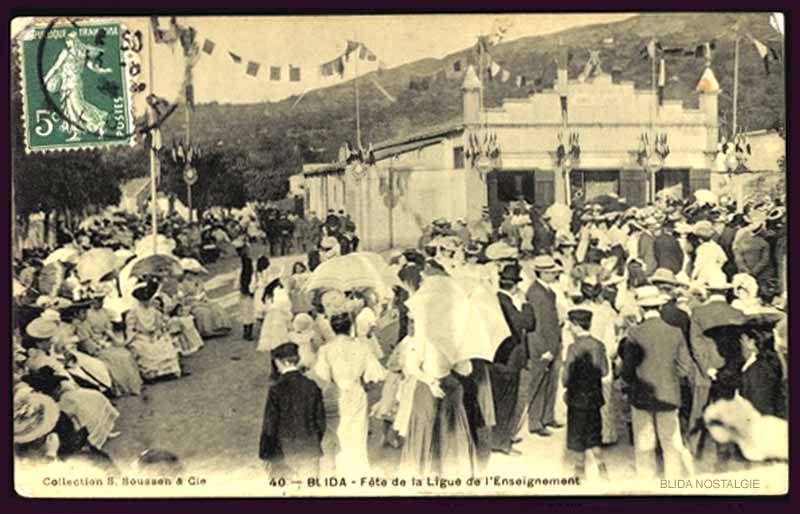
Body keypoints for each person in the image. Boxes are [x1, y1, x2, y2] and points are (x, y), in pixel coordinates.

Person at [620, 285, 695, 479]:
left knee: (645, 443)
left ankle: (647, 480)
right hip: (668, 394)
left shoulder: (634, 333)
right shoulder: (675, 332)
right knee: (671, 442)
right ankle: (673, 480)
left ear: (641, 309)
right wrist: (669, 376)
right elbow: (685, 368)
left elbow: (627, 370)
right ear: (660, 308)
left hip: (641, 394)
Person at [312, 312, 386, 476]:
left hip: (336, 392)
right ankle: (357, 469)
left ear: (332, 328)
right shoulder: (361, 347)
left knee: (339, 431)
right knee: (357, 431)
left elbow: (322, 376)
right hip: (356, 391)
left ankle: (340, 469)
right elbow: (376, 374)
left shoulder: (325, 349)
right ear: (351, 327)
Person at [687, 272, 745, 456]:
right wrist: (728, 369)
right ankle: (725, 451)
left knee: (698, 411)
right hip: (728, 371)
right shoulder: (737, 314)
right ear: (726, 291)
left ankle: (693, 450)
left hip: (703, 372)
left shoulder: (698, 313)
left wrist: (707, 369)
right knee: (726, 410)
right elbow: (739, 348)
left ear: (709, 291)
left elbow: (696, 346)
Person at [259, 342, 326, 480]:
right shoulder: (312, 386)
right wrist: (314, 441)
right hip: (309, 448)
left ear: (281, 362)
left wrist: (266, 454)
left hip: (284, 451)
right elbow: (321, 421)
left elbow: (270, 425)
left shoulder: (276, 389)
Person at [491, 263, 535, 454]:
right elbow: (527, 323)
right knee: (507, 399)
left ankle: (502, 435)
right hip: (509, 356)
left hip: (498, 354)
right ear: (515, 285)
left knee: (500, 398)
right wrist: (525, 304)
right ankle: (501, 441)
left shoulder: (495, 299)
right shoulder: (507, 303)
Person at [562, 308, 609, 479]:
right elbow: (604, 371)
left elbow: (566, 377)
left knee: (577, 437)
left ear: (576, 326)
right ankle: (601, 468)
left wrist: (566, 383)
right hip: (595, 398)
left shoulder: (573, 348)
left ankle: (579, 471)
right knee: (594, 435)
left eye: (571, 326)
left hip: (576, 400)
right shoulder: (599, 345)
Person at [526, 255, 564, 437]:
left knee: (551, 382)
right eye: (550, 272)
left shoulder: (548, 291)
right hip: (542, 345)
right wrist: (545, 349)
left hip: (553, 342)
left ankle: (547, 416)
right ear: (541, 273)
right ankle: (535, 421)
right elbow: (538, 324)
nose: (554, 275)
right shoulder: (535, 293)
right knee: (539, 382)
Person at [78, 295, 143, 396]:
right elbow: (87, 342)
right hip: (96, 348)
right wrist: (99, 346)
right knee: (118, 358)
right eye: (97, 300)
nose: (100, 303)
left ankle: (134, 385)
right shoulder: (83, 321)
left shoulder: (104, 312)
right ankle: (123, 387)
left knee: (126, 354)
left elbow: (108, 329)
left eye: (101, 300)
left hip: (105, 341)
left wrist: (114, 340)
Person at [125, 280, 182, 381]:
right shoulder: (133, 313)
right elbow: (130, 329)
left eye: (147, 299)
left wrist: (158, 333)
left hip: (155, 334)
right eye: (143, 300)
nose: (146, 302)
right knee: (145, 348)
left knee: (164, 343)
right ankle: (152, 374)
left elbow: (159, 324)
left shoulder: (154, 310)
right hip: (141, 336)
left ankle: (167, 371)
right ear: (139, 300)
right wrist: (133, 337)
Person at [739, 314, 785, 419]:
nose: (740, 343)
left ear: (751, 343)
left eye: (742, 339)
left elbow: (760, 407)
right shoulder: (771, 361)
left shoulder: (758, 370)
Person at [237, 243, 256, 341]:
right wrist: (249, 290)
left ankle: (246, 332)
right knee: (249, 311)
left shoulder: (241, 264)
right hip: (248, 290)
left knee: (245, 312)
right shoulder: (247, 262)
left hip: (243, 291)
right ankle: (248, 333)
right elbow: (248, 277)